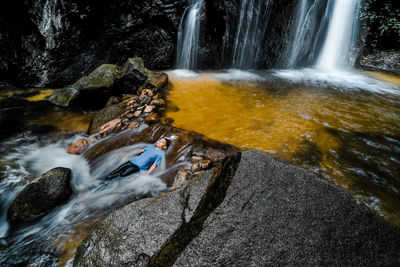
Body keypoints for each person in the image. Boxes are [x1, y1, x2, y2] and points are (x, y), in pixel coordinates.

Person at [105, 138, 171, 180]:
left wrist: (148, 174)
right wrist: (128, 153)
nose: (159, 141)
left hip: (138, 167)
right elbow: (140, 151)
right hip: (131, 161)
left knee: (122, 175)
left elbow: (154, 165)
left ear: (164, 147)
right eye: (160, 140)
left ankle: (108, 184)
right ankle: (104, 180)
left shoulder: (160, 154)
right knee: (115, 171)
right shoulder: (151, 147)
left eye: (162, 142)